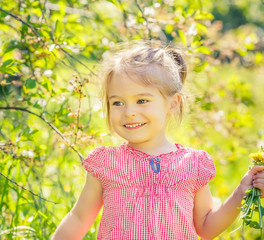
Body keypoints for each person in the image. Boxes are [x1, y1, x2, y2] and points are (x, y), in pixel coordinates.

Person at [51, 41, 264, 240]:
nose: (129, 112)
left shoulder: (193, 164)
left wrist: (241, 192)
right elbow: (79, 218)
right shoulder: (106, 162)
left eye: (142, 100)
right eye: (117, 103)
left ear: (173, 104)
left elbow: (207, 227)